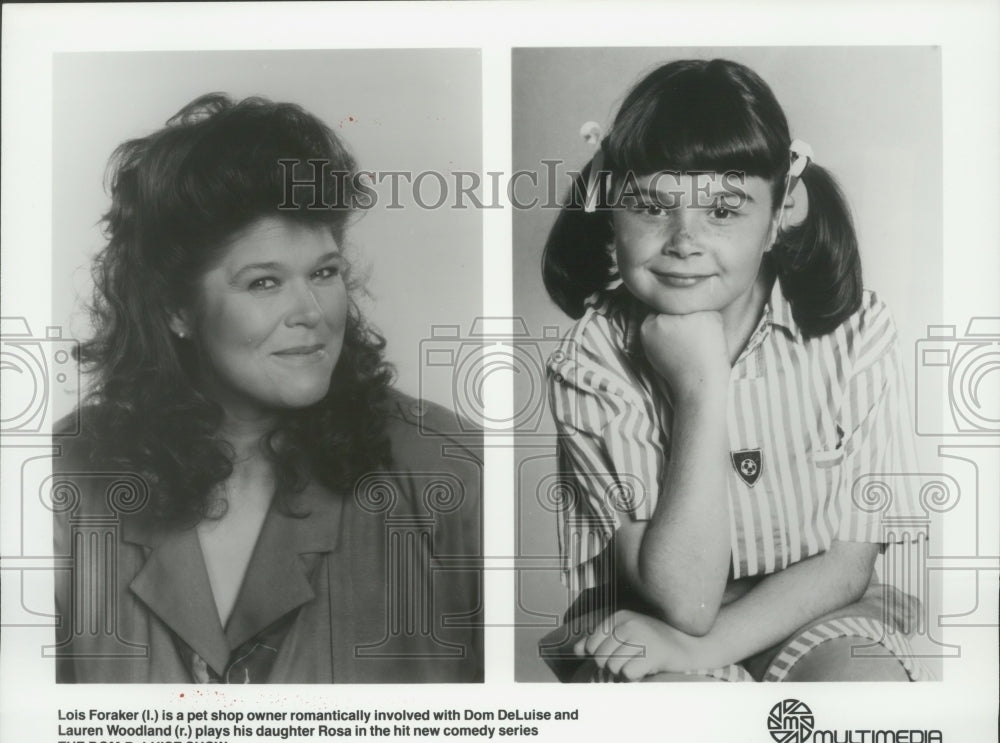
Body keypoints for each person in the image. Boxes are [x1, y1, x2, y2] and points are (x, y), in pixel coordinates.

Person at [52, 93, 482, 684]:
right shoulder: (62, 481)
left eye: (324, 273)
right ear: (177, 307)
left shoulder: (451, 466)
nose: (311, 311)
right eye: (263, 283)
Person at [540, 59, 928, 682]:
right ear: (611, 216)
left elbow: (849, 564)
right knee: (670, 713)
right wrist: (700, 386)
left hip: (812, 602)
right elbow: (684, 602)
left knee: (862, 689)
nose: (683, 240)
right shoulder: (593, 361)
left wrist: (703, 649)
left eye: (723, 211)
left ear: (780, 215)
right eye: (650, 207)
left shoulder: (856, 332)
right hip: (653, 613)